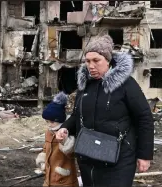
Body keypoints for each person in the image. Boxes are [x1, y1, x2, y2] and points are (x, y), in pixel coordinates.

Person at [55, 35, 154, 187]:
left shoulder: (126, 84)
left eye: (96, 60)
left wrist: (145, 155)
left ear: (107, 60)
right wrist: (65, 128)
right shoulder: (85, 85)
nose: (91, 66)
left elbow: (144, 118)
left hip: (119, 159)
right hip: (88, 157)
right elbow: (77, 115)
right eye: (87, 61)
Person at [36, 92, 79, 187]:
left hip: (64, 178)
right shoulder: (49, 132)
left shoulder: (66, 132)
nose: (49, 124)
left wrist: (65, 141)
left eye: (52, 121)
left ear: (60, 120)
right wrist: (43, 161)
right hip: (49, 177)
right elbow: (45, 148)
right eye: (47, 121)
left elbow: (72, 153)